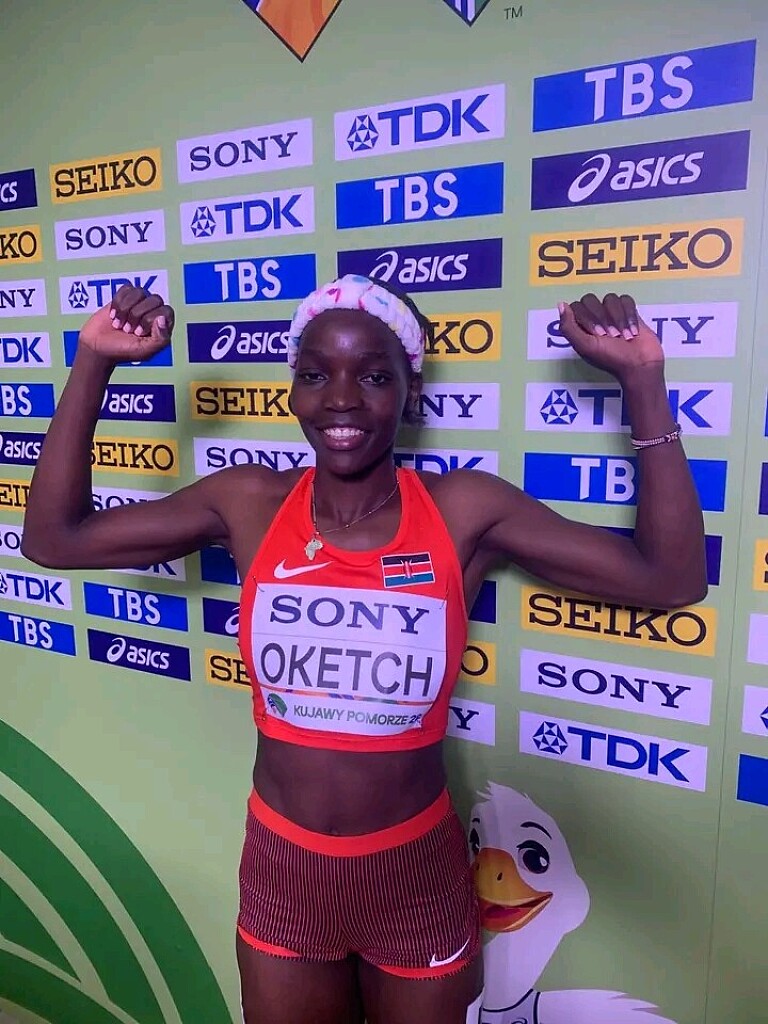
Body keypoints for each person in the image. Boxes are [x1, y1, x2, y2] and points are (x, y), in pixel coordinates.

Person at [21, 275, 707, 1024]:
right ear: (293, 391)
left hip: (415, 880)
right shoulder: (249, 501)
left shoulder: (462, 509)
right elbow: (55, 540)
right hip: (285, 874)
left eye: (374, 377)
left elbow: (668, 577)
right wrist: (94, 362)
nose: (341, 400)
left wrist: (643, 381)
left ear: (411, 394)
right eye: (316, 375)